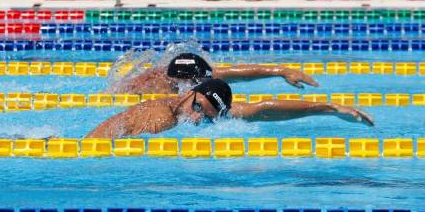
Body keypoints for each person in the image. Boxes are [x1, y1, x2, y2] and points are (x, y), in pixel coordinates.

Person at [87, 78, 374, 138]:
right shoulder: (162, 118)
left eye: (208, 118)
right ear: (190, 93)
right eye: (197, 108)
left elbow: (263, 109)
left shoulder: (201, 108)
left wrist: (329, 108)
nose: (198, 119)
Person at [109, 52, 319, 94]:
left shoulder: (202, 73)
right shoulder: (151, 85)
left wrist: (281, 70)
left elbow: (242, 72)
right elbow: (115, 92)